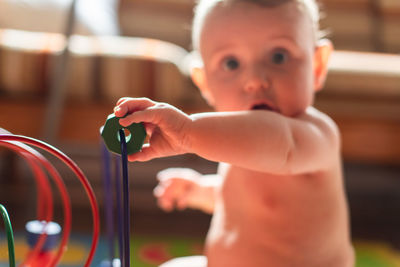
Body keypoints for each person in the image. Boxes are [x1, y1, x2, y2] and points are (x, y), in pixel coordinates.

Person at [113, 0, 355, 266]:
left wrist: (188, 131)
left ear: (317, 66)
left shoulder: (316, 135)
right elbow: (249, 205)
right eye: (231, 63)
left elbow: (281, 144)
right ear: (204, 83)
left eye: (279, 57)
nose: (255, 80)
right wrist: (201, 191)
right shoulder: (234, 141)